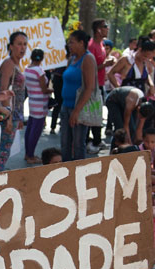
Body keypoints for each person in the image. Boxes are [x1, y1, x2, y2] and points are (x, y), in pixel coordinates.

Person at [0, 31, 28, 171]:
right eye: (19, 44)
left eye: (25, 44)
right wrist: (8, 117)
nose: (23, 48)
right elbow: (4, 91)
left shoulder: (17, 64)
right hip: (9, 114)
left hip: (14, 114)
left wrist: (19, 116)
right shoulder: (9, 64)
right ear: (11, 46)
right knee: (4, 148)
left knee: (6, 147)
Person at [60, 30, 96, 162]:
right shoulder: (71, 59)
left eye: (72, 42)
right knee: (65, 144)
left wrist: (76, 111)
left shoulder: (88, 59)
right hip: (65, 107)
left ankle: (79, 174)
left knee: (78, 144)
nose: (69, 45)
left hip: (79, 109)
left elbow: (89, 88)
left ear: (82, 43)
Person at [86, 19, 110, 154]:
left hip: (100, 84)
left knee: (98, 114)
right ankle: (90, 141)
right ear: (98, 30)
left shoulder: (101, 44)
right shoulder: (91, 45)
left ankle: (96, 139)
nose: (107, 29)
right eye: (105, 27)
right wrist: (105, 65)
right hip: (93, 85)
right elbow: (90, 68)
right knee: (92, 113)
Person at [24, 48, 51, 164]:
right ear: (42, 58)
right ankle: (31, 156)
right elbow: (44, 89)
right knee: (35, 132)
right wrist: (52, 90)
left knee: (30, 129)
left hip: (32, 103)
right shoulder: (39, 71)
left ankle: (28, 154)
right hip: (40, 105)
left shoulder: (27, 69)